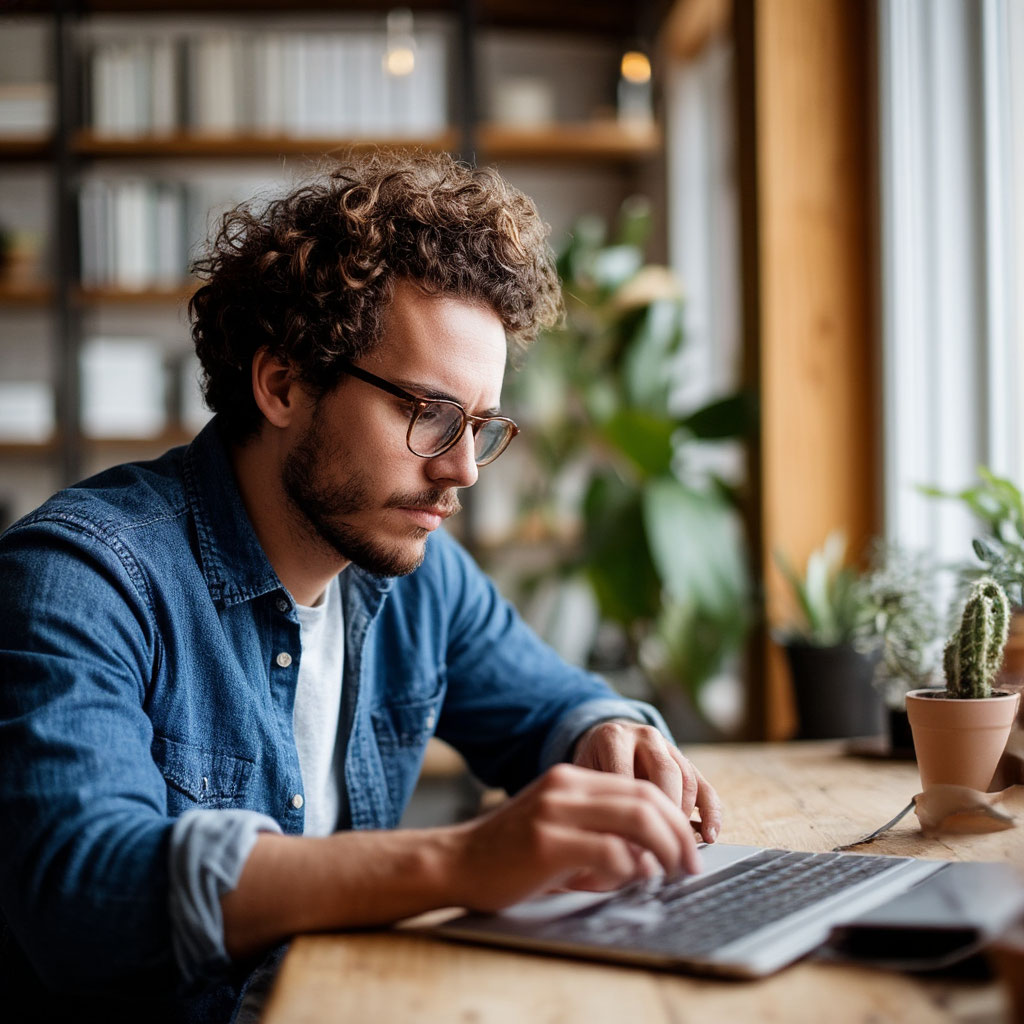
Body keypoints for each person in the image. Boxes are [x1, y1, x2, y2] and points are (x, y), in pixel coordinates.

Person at [0, 151, 721, 1022]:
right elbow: (85, 896)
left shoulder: (415, 571)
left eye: (481, 426)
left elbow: (549, 706)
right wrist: (457, 863)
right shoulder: (81, 579)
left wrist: (608, 731)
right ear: (283, 384)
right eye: (429, 413)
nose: (462, 471)